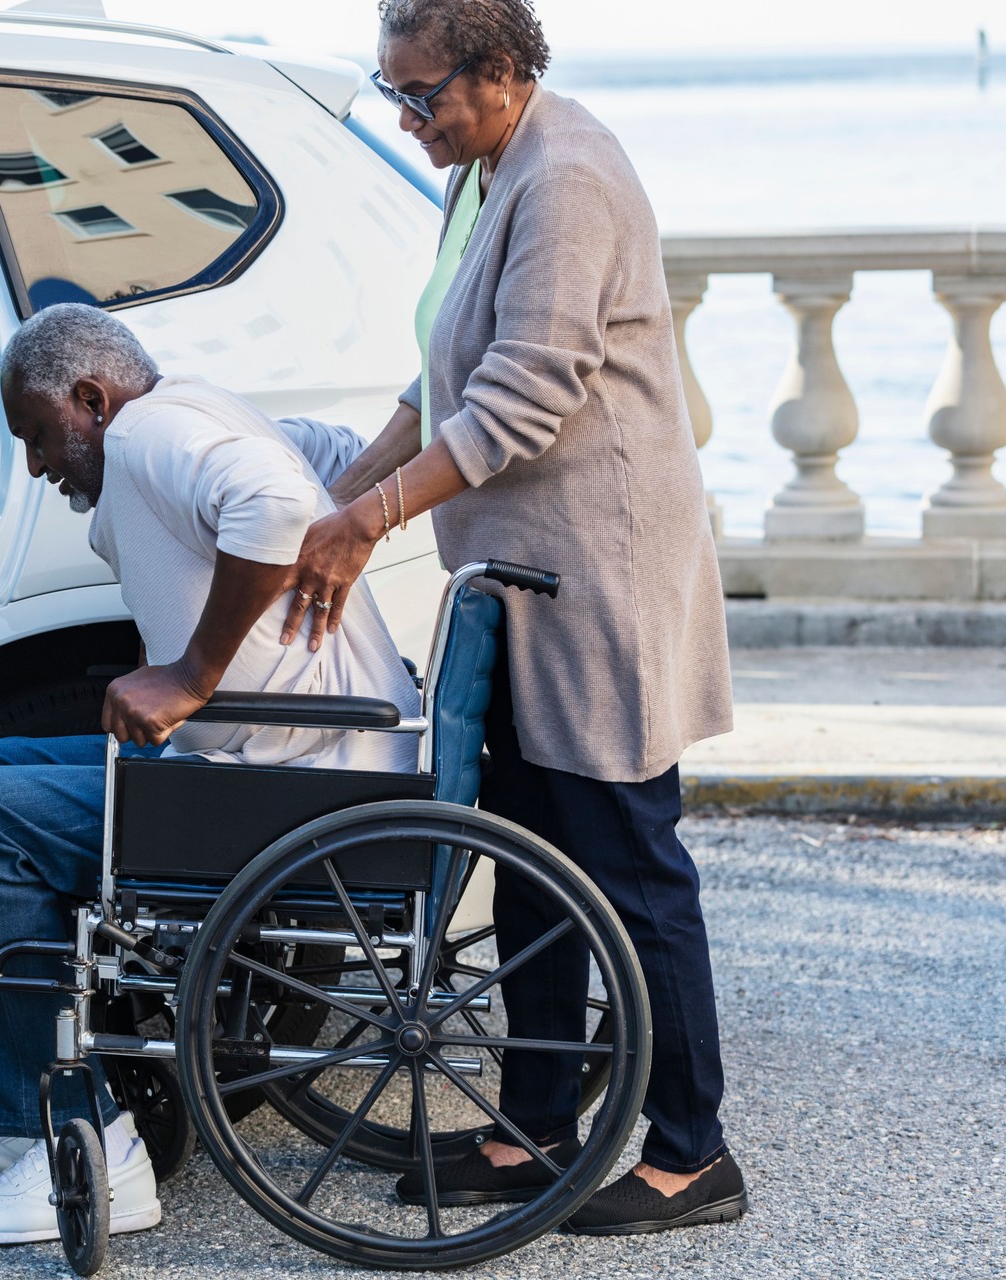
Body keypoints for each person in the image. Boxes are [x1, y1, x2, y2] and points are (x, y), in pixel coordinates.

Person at [262, 0, 743, 1237]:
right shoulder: (480, 171)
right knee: (533, 861)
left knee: (629, 865)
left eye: (420, 94)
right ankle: (534, 1129)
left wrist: (370, 522)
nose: (406, 117)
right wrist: (341, 495)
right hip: (521, 579)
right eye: (392, 93)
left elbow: (522, 397)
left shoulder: (568, 176)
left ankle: (695, 1151)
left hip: (600, 577)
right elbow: (440, 382)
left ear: (501, 72)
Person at [0, 303, 422, 1246]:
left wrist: (195, 673)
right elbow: (323, 452)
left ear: (90, 398)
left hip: (282, 787)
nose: (34, 465)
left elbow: (271, 503)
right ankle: (6, 1120)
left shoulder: (148, 431)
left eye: (35, 434)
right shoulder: (192, 409)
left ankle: (79, 1141)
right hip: (291, 763)